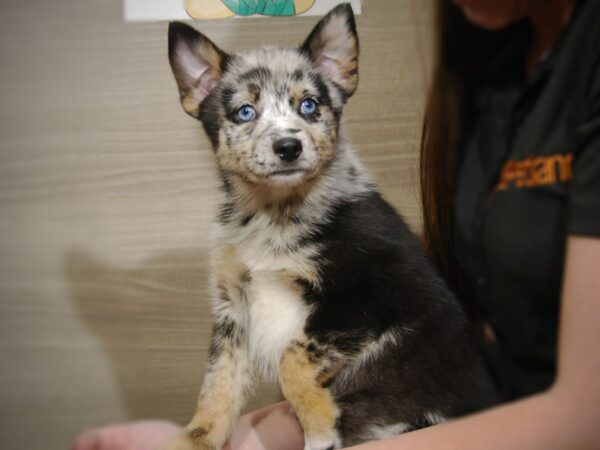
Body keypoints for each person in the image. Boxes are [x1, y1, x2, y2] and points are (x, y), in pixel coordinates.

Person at [72, 0, 600, 448]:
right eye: (246, 112)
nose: (286, 134)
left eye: (306, 106)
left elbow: (580, 410)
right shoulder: (492, 70)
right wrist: (211, 440)